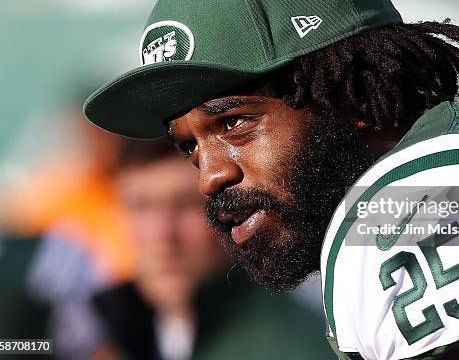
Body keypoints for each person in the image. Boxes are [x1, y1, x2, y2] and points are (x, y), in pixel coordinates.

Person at [83, 0, 459, 360]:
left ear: (350, 93)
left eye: (234, 123)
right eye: (190, 148)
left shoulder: (413, 205)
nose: (209, 176)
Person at [92, 138, 337, 360]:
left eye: (187, 205)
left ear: (234, 213)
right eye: (141, 206)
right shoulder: (101, 334)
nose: (163, 235)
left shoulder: (291, 345)